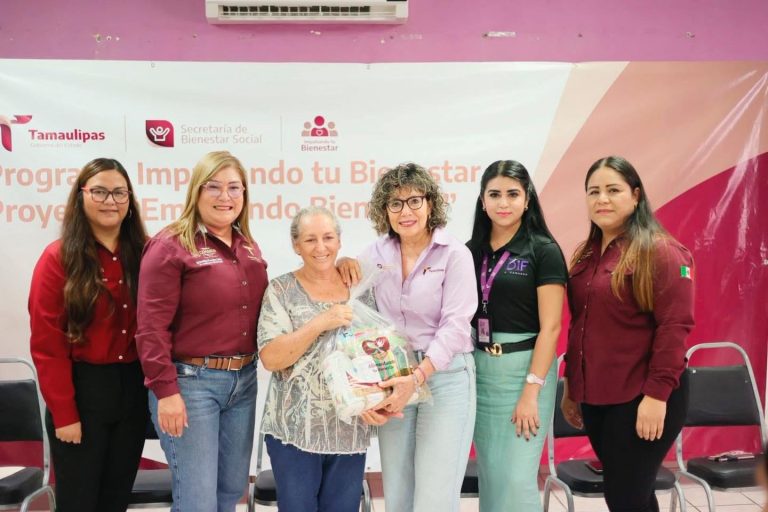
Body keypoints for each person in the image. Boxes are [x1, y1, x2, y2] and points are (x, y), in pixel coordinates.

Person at [340, 163, 478, 512]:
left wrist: (417, 377)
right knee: (398, 495)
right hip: (393, 375)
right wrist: (343, 263)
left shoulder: (454, 254)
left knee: (434, 498)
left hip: (445, 377)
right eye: (395, 203)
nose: (406, 211)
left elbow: (456, 325)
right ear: (384, 210)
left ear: (430, 203)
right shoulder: (376, 253)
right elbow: (349, 294)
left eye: (414, 201)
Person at [136, 151, 268, 512]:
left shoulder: (247, 245)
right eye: (214, 187)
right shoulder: (170, 245)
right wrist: (166, 392)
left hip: (243, 381)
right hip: (190, 385)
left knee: (231, 490)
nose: (225, 196)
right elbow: (150, 328)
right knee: (198, 501)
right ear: (196, 191)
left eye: (234, 187)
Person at [561, 156, 694, 512]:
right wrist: (572, 386)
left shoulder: (661, 252)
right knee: (632, 495)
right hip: (596, 397)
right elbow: (579, 325)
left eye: (613, 190)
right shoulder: (586, 256)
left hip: (643, 396)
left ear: (635, 196)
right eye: (593, 192)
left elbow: (674, 327)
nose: (601, 199)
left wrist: (656, 397)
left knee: (624, 497)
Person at [29, 158, 148, 512]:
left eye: (119, 193)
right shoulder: (58, 258)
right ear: (81, 196)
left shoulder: (147, 253)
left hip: (133, 391)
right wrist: (65, 414)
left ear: (130, 201)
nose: (110, 201)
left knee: (116, 499)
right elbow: (47, 345)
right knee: (79, 503)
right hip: (82, 393)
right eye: (99, 191)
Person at [257, 206, 374, 512]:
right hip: (294, 431)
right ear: (296, 245)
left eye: (328, 237)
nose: (321, 247)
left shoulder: (358, 287)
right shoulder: (280, 290)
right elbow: (271, 358)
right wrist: (320, 322)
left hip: (349, 428)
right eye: (310, 239)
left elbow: (377, 351)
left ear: (339, 241)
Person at [466, 160, 567, 512]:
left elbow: (551, 328)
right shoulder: (470, 251)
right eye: (494, 194)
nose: (503, 203)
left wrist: (531, 390)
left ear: (527, 200)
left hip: (526, 371)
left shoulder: (543, 250)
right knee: (492, 476)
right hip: (480, 371)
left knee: (516, 479)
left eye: (513, 194)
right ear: (483, 201)